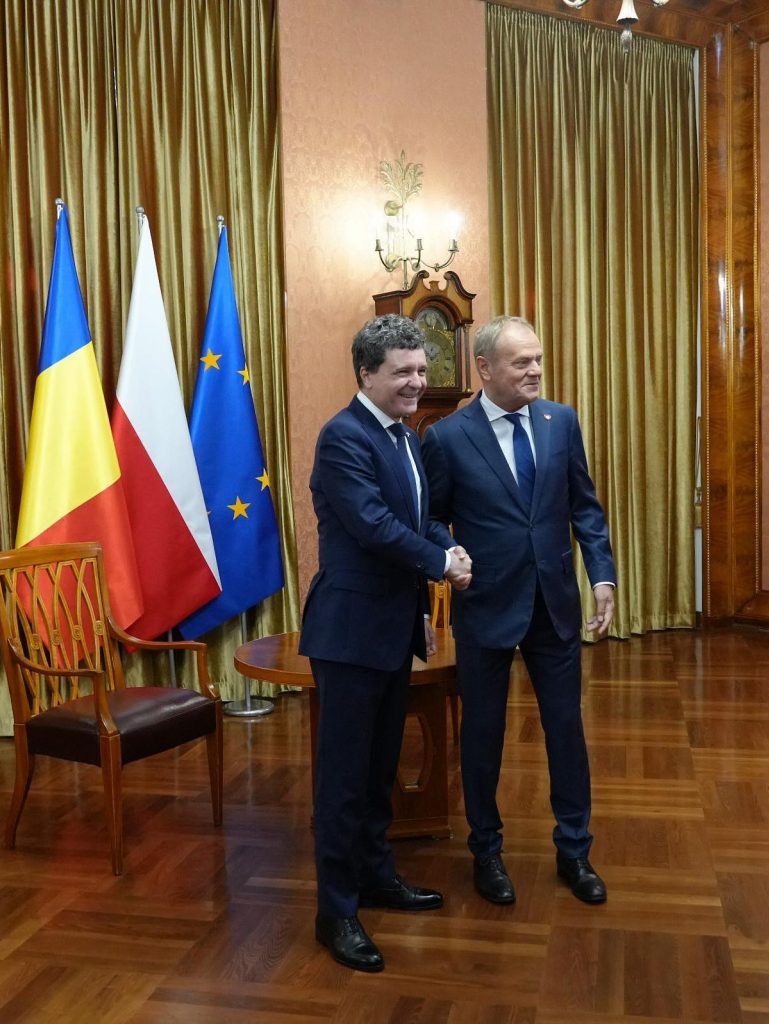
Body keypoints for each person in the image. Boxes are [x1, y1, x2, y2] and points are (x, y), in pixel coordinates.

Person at [421, 314, 615, 906]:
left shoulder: (561, 422)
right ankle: (486, 850)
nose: (536, 370)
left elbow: (584, 506)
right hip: (486, 606)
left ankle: (575, 851)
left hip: (554, 603)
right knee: (483, 735)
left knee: (566, 731)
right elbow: (431, 517)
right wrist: (448, 552)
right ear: (484, 368)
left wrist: (601, 574)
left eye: (538, 359)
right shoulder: (446, 438)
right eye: (521, 362)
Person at [299, 313, 472, 973]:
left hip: (393, 628)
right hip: (349, 633)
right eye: (403, 372)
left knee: (377, 772)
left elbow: (417, 516)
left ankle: (375, 877)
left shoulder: (404, 435)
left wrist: (446, 544)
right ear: (366, 373)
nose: (417, 382)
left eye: (422, 370)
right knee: (343, 780)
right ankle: (335, 913)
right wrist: (440, 563)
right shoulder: (342, 437)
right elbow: (372, 525)